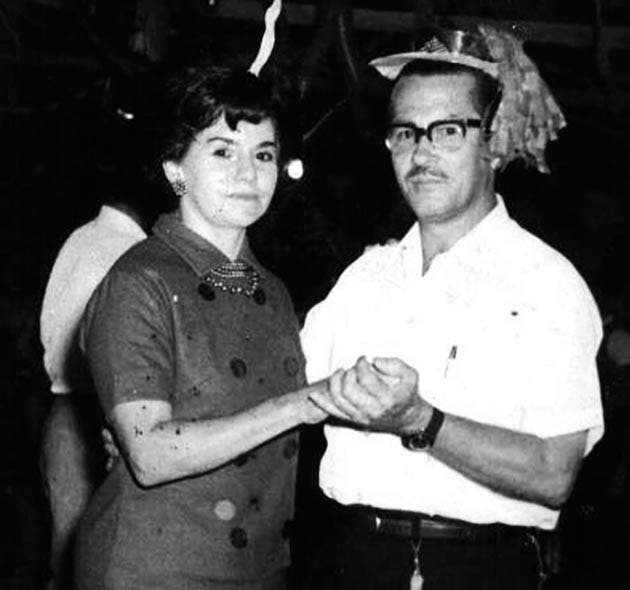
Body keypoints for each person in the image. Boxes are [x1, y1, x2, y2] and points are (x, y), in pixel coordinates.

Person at [302, 26, 604, 589]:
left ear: (493, 141)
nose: (420, 153)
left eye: (446, 131)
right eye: (405, 133)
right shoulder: (364, 276)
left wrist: (422, 420)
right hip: (349, 561)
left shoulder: (546, 283)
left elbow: (555, 474)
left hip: (475, 567)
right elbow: (289, 389)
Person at [73, 63, 328, 590]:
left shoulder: (273, 291)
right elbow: (149, 454)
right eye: (221, 151)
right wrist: (300, 405)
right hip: (155, 568)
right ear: (175, 170)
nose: (247, 174)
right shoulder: (139, 281)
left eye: (263, 154)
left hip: (256, 570)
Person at [40, 163, 148, 588]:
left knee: (66, 561)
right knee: (84, 568)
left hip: (65, 416)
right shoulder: (123, 253)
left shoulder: (84, 236)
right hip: (91, 422)